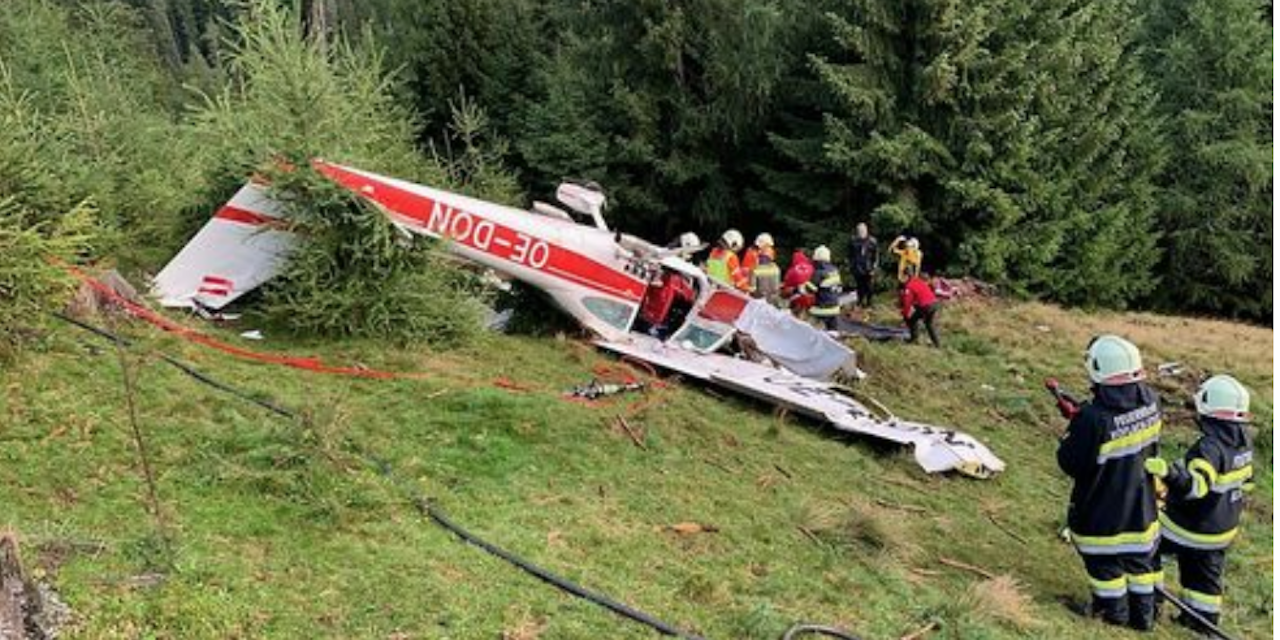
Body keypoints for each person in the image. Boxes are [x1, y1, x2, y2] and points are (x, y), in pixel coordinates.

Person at [1056, 335, 1162, 631]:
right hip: (1142, 506)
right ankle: (1144, 618)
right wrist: (1083, 416)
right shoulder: (1152, 400)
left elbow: (1070, 462)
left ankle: (1113, 615)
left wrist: (1075, 426)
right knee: (1140, 565)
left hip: (1101, 512)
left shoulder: (1092, 419)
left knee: (1105, 568)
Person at [1146, 374, 1254, 632]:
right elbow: (1247, 484)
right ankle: (1202, 624)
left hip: (1187, 528)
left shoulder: (1208, 448)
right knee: (1204, 580)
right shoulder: (1245, 443)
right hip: (1221, 532)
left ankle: (1149, 603)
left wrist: (1169, 474)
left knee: (1146, 546)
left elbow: (1196, 488)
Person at [638, 269, 696, 338]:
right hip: (652, 315)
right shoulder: (675, 281)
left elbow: (688, 296)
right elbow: (688, 296)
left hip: (651, 314)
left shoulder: (672, 280)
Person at [803, 245, 842, 330]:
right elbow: (839, 288)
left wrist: (802, 286)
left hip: (821, 309)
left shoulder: (819, 272)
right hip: (835, 308)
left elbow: (809, 290)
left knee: (809, 329)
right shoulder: (835, 270)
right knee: (833, 332)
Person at [898, 274, 941, 347]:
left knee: (912, 320)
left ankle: (914, 339)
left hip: (926, 305)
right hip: (934, 303)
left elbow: (907, 303)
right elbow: (918, 298)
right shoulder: (917, 280)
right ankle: (937, 344)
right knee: (929, 324)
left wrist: (905, 314)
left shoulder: (908, 287)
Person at [847, 223, 879, 307]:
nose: (861, 232)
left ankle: (869, 302)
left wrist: (874, 268)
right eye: (859, 231)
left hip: (868, 267)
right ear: (857, 231)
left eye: (863, 230)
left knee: (869, 286)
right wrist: (851, 265)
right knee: (859, 286)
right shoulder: (853, 241)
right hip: (857, 267)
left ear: (866, 230)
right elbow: (850, 255)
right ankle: (860, 301)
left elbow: (875, 256)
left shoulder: (872, 241)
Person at [746, 233, 781, 304]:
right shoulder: (776, 268)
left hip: (757, 300)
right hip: (770, 301)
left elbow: (752, 289)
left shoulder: (755, 268)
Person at [782, 248, 815, 315]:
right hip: (811, 299)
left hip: (796, 300)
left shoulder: (791, 270)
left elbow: (786, 287)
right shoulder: (812, 268)